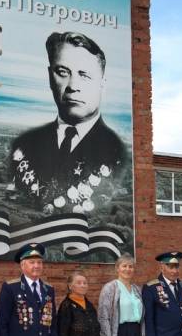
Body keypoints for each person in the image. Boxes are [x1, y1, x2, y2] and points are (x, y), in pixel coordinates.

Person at [10, 31, 128, 212]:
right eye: (63, 72)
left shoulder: (117, 152)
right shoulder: (25, 144)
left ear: (102, 83)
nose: (73, 86)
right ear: (50, 76)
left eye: (85, 75)